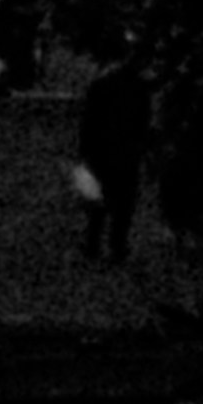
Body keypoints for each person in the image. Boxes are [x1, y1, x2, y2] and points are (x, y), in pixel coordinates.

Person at [75, 42, 155, 269]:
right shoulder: (139, 89)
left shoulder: (102, 85)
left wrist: (84, 150)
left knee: (100, 200)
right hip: (126, 151)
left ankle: (94, 243)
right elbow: (143, 123)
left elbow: (88, 122)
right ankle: (116, 245)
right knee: (124, 203)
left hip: (102, 150)